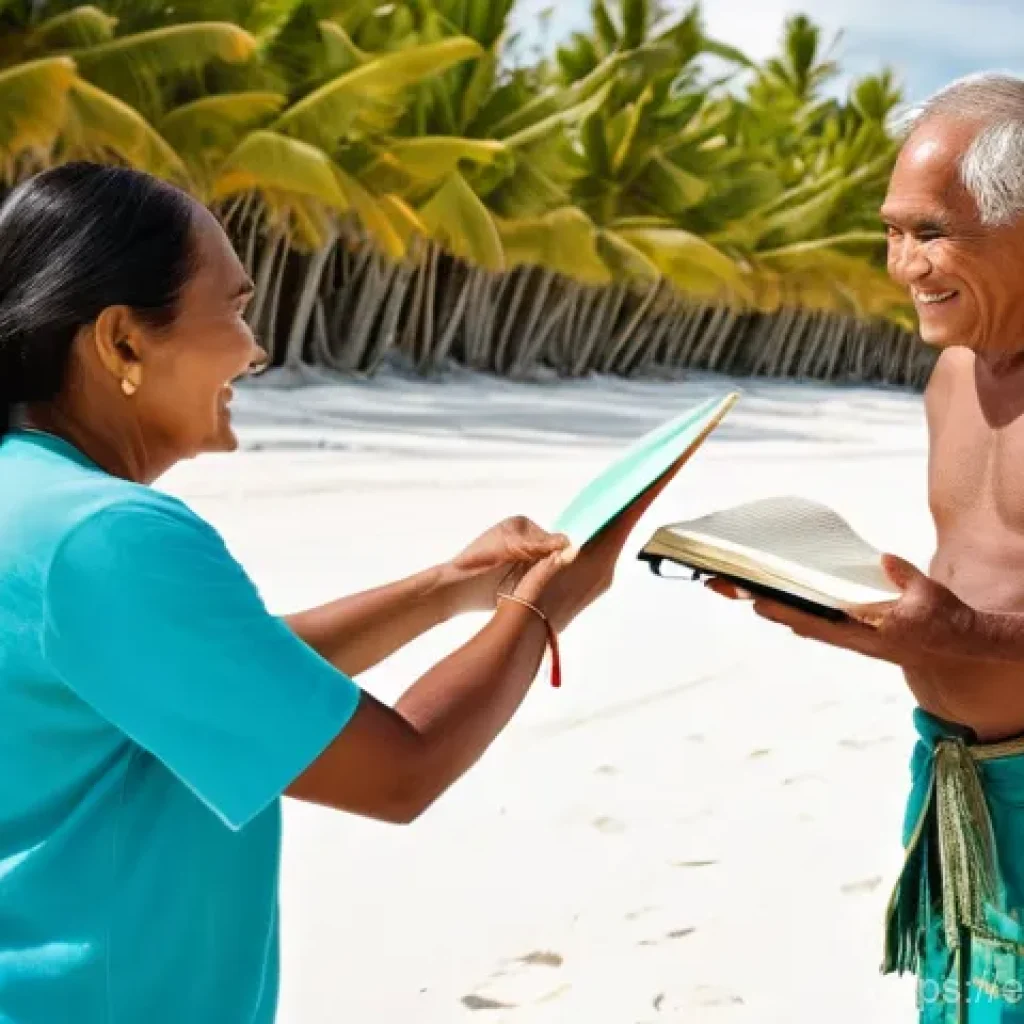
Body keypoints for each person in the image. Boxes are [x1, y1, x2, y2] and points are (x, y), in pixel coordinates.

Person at [0, 162, 672, 1023]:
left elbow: (227, 678)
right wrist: (545, 609)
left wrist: (446, 589)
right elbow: (400, 771)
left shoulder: (31, 500)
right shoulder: (109, 535)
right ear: (123, 342)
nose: (255, 349)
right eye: (235, 309)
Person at [711, 73, 1024, 1021]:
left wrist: (963, 637)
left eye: (931, 232)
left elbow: (977, 617)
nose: (904, 266)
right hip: (954, 775)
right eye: (891, 231)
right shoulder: (952, 376)